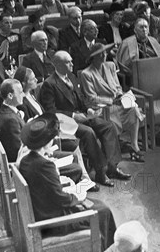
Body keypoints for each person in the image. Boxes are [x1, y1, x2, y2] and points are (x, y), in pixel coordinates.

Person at [18, 114, 116, 249]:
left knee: (97, 205)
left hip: (41, 212)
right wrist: (77, 197)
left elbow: (50, 191)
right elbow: (60, 198)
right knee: (103, 210)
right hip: (53, 221)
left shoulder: (25, 161)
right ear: (47, 142)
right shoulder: (44, 165)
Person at [39, 51, 131, 186]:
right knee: (88, 132)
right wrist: (73, 116)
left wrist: (88, 109)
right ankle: (101, 172)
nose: (72, 64)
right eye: (68, 62)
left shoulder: (71, 76)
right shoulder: (50, 84)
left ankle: (112, 167)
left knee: (108, 126)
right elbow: (50, 111)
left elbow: (81, 98)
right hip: (65, 122)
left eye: (71, 60)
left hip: (82, 115)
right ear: (57, 64)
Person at [80, 43, 145, 162]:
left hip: (117, 102)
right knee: (111, 118)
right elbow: (91, 98)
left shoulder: (110, 66)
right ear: (93, 57)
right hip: (102, 108)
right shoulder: (86, 74)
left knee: (133, 109)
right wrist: (111, 100)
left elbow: (117, 86)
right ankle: (114, 150)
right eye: (100, 54)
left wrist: (120, 95)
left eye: (105, 52)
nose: (104, 55)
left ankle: (134, 145)